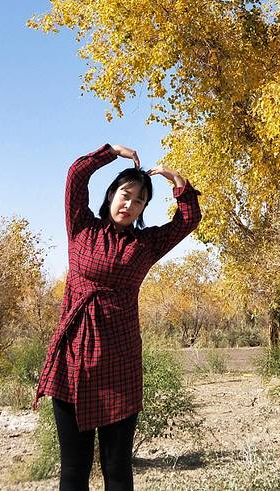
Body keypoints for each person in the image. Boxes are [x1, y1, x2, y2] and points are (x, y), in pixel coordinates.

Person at [34, 142, 202, 491]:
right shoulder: (81, 227)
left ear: (143, 209)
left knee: (118, 470)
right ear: (111, 195)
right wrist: (110, 152)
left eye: (139, 200)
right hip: (72, 363)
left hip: (120, 365)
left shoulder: (146, 244)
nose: (130, 204)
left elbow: (188, 219)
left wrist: (177, 182)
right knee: (74, 470)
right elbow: (76, 176)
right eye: (126, 195)